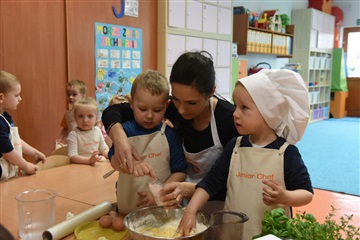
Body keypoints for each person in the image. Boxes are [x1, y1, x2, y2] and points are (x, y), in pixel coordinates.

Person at [177, 69, 314, 240]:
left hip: (270, 235)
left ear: (268, 111)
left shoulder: (286, 153)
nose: (235, 113)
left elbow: (307, 193)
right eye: (236, 106)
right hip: (232, 234)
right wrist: (190, 210)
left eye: (244, 108)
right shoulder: (234, 147)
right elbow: (210, 183)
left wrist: (285, 196)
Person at [102, 51, 239, 213]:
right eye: (176, 99)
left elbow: (234, 179)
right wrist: (120, 140)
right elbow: (114, 111)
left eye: (191, 102)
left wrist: (189, 189)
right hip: (177, 199)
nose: (181, 109)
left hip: (217, 202)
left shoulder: (229, 120)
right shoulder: (169, 107)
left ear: (211, 92)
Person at [108, 70, 187, 215]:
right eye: (143, 109)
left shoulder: (170, 135)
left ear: (166, 106)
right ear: (131, 103)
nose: (149, 116)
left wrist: (160, 192)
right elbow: (113, 161)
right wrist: (131, 165)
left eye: (157, 110)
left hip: (162, 210)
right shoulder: (125, 132)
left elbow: (180, 171)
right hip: (127, 209)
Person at [0, 70, 46, 181]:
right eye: (16, 95)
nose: (20, 99)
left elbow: (15, 140)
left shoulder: (5, 116)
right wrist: (25, 165)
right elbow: (8, 151)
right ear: (1, 97)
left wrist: (34, 152)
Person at [67, 96, 109, 165]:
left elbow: (104, 149)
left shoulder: (97, 131)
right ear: (75, 117)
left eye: (90, 116)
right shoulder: (73, 134)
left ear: (96, 118)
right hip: (79, 167)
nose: (85, 120)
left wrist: (111, 155)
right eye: (80, 116)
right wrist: (89, 160)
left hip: (96, 165)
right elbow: (73, 156)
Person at [56, 80, 86, 148]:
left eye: (74, 94)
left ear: (83, 96)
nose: (70, 97)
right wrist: (60, 138)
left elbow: (97, 123)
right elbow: (65, 128)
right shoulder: (68, 114)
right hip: (73, 142)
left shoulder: (87, 111)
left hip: (86, 141)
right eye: (68, 94)